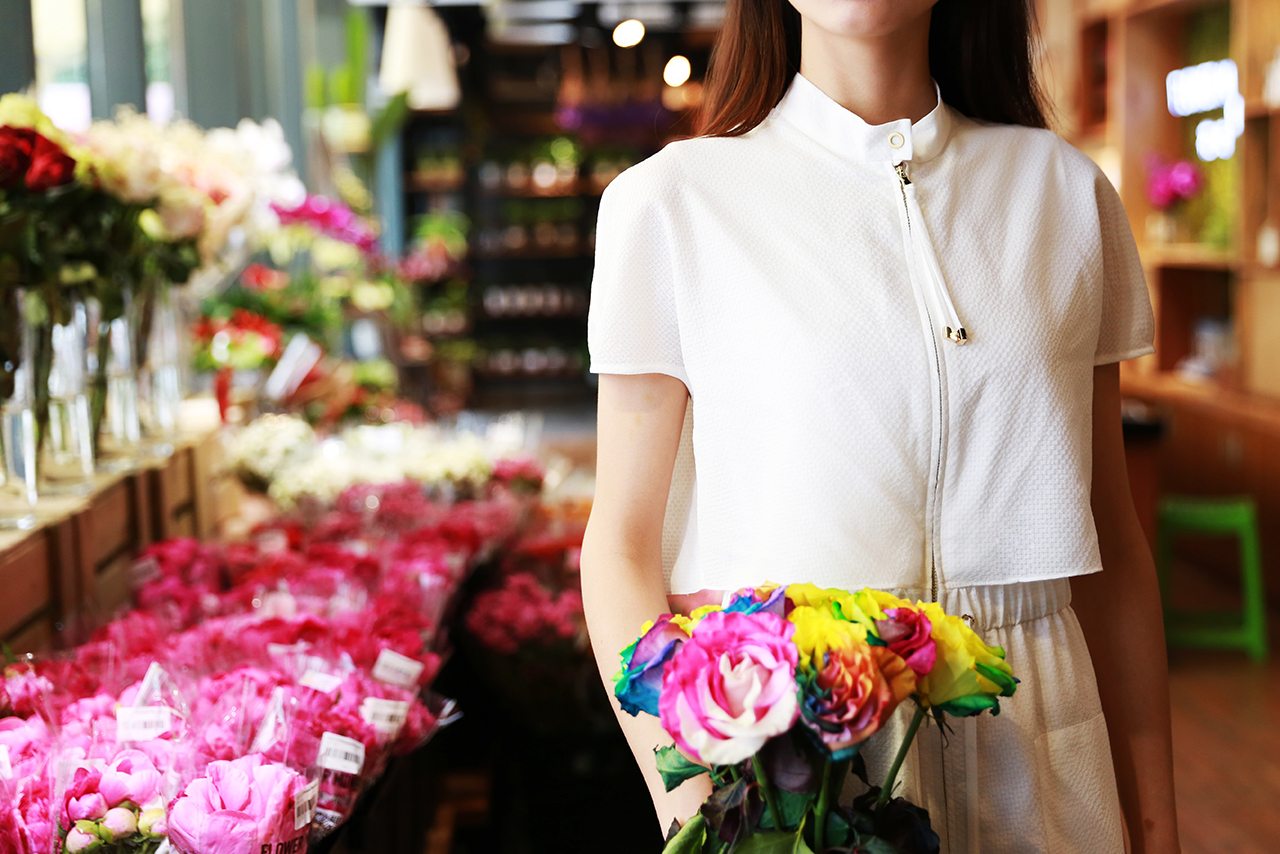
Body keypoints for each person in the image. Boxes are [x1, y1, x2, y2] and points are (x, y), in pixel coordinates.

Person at [579, 1, 1180, 852]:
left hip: (1048, 760)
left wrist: (1156, 828)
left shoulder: (1065, 193)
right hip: (801, 775)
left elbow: (1112, 549)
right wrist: (700, 815)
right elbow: (622, 548)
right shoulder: (671, 203)